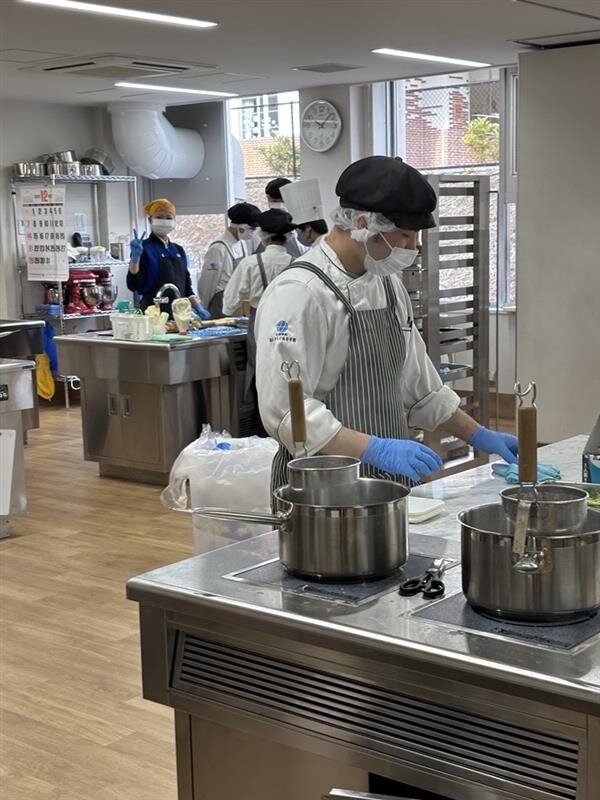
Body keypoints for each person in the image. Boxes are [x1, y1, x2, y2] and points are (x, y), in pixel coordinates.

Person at [255, 156, 518, 491]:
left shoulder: (387, 284)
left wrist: (478, 434)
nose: (414, 247)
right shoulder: (301, 293)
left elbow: (419, 386)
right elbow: (287, 413)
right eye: (405, 235)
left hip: (388, 483)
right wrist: (375, 449)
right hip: (322, 487)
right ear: (363, 224)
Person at [223, 209, 296, 430]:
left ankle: (262, 431)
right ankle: (290, 428)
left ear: (262, 235)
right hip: (292, 326)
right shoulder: (298, 263)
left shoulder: (250, 264)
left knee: (261, 378)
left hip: (260, 326)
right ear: (288, 236)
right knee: (290, 376)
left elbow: (229, 304)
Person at [127, 198, 208, 319]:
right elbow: (134, 285)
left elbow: (186, 287)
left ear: (174, 221)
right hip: (153, 312)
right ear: (150, 220)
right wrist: (135, 260)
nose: (164, 221)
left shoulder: (178, 250)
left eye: (169, 218)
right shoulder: (143, 248)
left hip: (179, 314)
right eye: (159, 217)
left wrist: (197, 306)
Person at [197, 202, 261, 318]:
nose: (253, 233)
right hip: (220, 302)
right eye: (252, 229)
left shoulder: (241, 244)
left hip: (237, 300)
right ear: (241, 228)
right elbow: (207, 284)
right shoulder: (218, 248)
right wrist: (204, 307)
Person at [255, 177, 308, 259]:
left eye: (283, 201)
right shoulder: (262, 222)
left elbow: (307, 246)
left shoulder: (301, 222)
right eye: (275, 201)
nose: (280, 205)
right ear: (268, 198)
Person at [280, 178, 328, 248]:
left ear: (308, 229)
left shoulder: (319, 249)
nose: (297, 235)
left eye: (298, 231)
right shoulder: (329, 242)